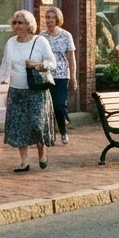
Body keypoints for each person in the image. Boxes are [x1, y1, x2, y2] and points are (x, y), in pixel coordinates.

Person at [0, 10, 56, 172]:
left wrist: (39, 65)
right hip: (16, 90)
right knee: (19, 126)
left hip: (36, 90)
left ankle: (42, 152)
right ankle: (24, 162)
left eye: (21, 23)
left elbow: (52, 63)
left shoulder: (40, 41)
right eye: (15, 23)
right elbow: (5, 65)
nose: (17, 26)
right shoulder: (11, 42)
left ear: (29, 25)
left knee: (37, 124)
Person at [42, 7, 76, 144]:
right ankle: (49, 135)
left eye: (52, 18)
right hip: (46, 75)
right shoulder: (42, 36)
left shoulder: (66, 36)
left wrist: (73, 77)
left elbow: (71, 58)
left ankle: (63, 131)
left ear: (57, 19)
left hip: (62, 75)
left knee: (58, 104)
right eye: (47, 17)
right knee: (46, 107)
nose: (49, 20)